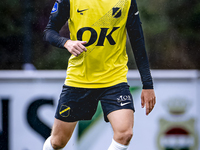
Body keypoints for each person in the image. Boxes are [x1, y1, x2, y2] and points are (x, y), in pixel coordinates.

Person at [43, 0, 156, 149]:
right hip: (79, 79)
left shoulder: (126, 1)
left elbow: (138, 40)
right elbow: (49, 31)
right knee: (58, 142)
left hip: (114, 79)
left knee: (125, 134)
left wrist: (147, 84)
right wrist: (66, 42)